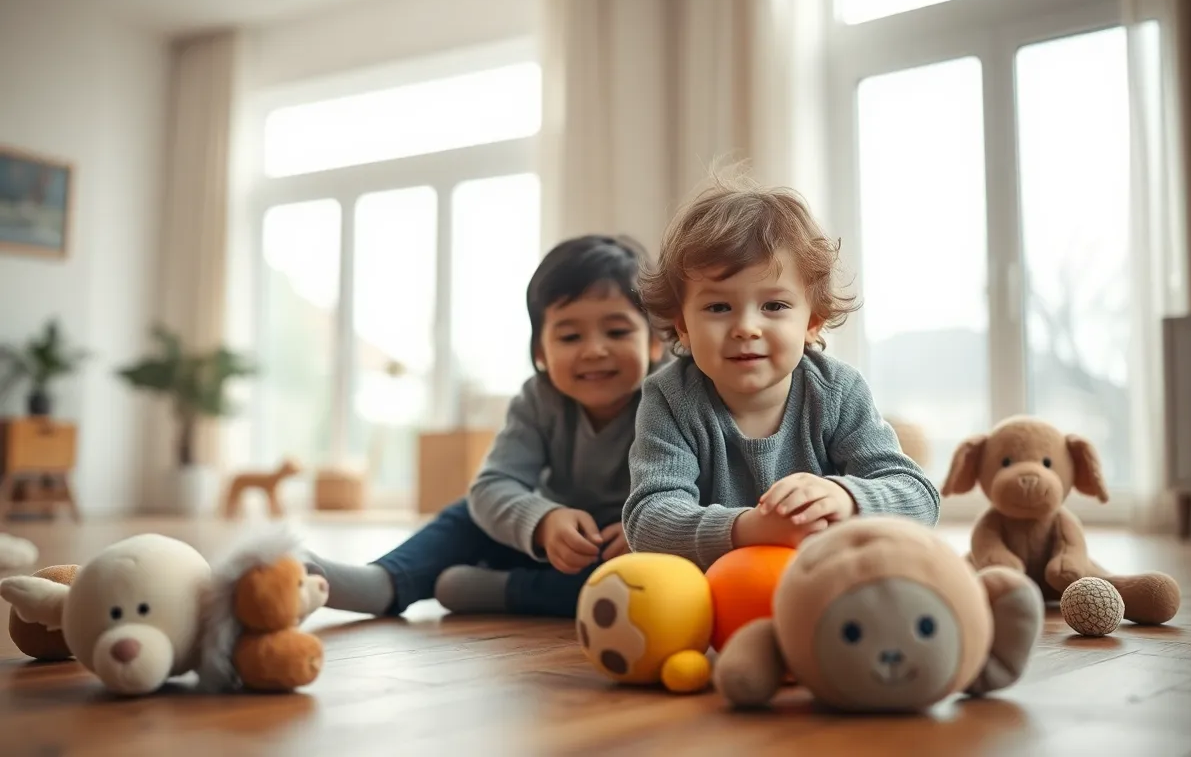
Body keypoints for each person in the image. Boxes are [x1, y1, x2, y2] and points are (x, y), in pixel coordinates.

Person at [307, 235, 666, 619]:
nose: (594, 349)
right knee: (467, 515)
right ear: (541, 354)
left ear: (654, 343)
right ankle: (386, 581)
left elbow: (707, 490)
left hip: (632, 554)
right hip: (549, 543)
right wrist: (543, 522)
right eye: (570, 336)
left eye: (617, 332)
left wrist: (652, 532)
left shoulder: (672, 397)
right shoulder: (539, 399)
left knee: (646, 584)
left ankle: (503, 591)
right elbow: (492, 487)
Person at [621, 171, 940, 570]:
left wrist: (846, 498)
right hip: (722, 592)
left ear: (813, 323)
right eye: (719, 307)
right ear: (682, 325)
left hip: (825, 584)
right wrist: (749, 528)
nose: (746, 328)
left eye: (774, 306)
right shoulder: (671, 397)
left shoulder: (837, 390)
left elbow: (919, 497)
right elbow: (648, 520)